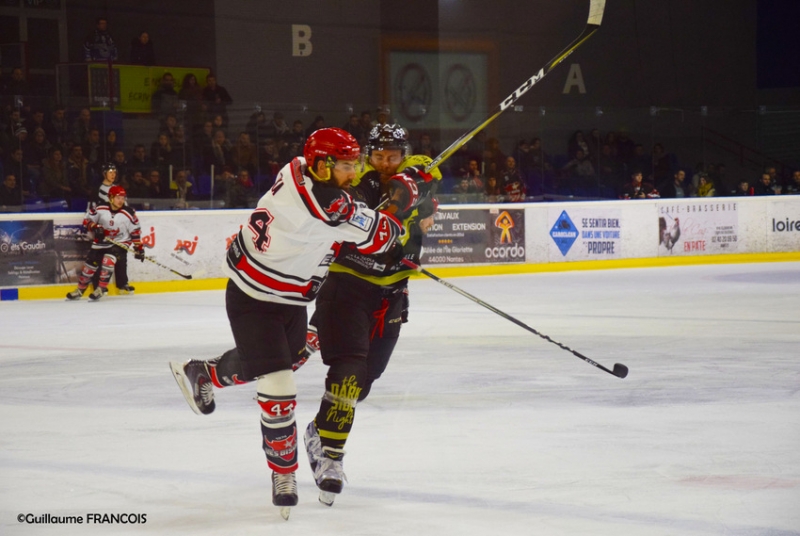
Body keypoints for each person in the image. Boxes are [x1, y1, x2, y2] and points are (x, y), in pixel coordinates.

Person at [167, 128, 417, 519]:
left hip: (290, 298)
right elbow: (383, 237)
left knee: (289, 356)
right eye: (348, 166)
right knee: (279, 384)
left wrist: (371, 199)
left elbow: (344, 211)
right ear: (323, 165)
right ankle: (283, 475)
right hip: (255, 299)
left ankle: (205, 373)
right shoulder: (330, 204)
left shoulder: (296, 168)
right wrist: (397, 212)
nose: (354, 173)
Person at [301, 124, 440, 507]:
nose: (384, 163)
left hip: (391, 295)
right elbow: (376, 214)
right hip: (348, 287)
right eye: (377, 156)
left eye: (392, 157)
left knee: (365, 380)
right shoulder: (356, 186)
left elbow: (424, 206)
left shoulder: (414, 174)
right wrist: (403, 198)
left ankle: (318, 430)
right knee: (348, 372)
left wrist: (422, 201)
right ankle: (331, 457)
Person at [66, 185, 143, 301]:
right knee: (89, 265)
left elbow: (135, 231)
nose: (121, 201)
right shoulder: (100, 208)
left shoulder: (129, 213)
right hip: (101, 242)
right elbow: (87, 220)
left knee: (108, 259)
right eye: (118, 198)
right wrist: (95, 227)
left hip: (120, 243)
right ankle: (80, 290)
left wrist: (139, 248)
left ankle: (101, 289)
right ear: (111, 197)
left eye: (123, 198)